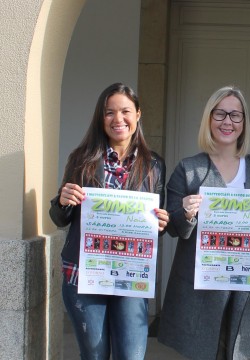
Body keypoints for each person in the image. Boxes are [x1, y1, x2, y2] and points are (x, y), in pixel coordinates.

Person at [157, 85, 250, 360]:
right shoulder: (189, 169)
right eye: (220, 114)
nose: (227, 121)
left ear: (243, 123)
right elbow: (172, 227)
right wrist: (186, 213)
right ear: (209, 119)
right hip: (201, 289)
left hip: (245, 288)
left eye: (235, 115)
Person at [49, 83, 169, 360]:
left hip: (130, 274)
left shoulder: (154, 165)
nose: (118, 120)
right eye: (109, 113)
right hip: (84, 273)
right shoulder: (82, 159)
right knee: (94, 355)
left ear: (137, 114)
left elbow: (154, 229)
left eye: (125, 111)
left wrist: (160, 223)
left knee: (131, 355)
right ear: (100, 117)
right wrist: (62, 200)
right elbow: (60, 219)